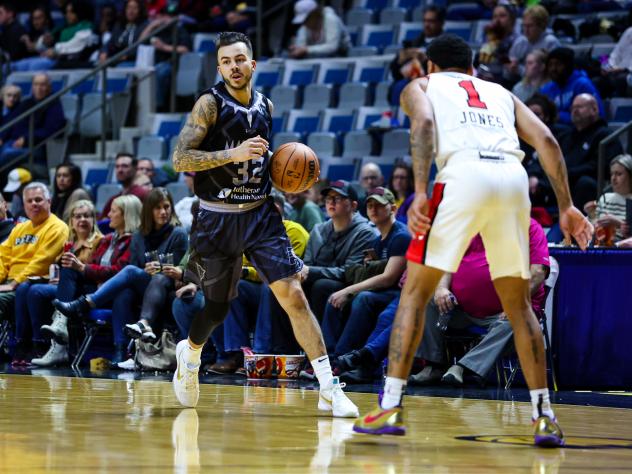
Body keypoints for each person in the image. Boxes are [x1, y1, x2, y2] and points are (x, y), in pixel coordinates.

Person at [353, 34, 593, 447]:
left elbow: (425, 124)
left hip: (462, 175)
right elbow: (549, 142)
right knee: (518, 307)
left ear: (429, 66)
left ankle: (389, 406)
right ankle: (545, 417)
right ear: (471, 68)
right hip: (512, 179)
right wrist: (567, 206)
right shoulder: (501, 92)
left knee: (414, 292)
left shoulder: (423, 86)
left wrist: (423, 189)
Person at [170, 31, 358, 416]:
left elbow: (260, 158)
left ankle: (329, 387)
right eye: (226, 61)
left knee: (294, 297)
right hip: (216, 219)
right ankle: (190, 354)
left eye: (240, 60)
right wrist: (231, 154)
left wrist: (287, 168)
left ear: (251, 64)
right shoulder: (209, 104)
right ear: (219, 66)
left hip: (259, 215)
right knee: (218, 310)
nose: (233, 67)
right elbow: (180, 159)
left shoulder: (265, 105)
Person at [54, 188, 187, 364]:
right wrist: (144, 269)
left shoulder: (178, 234)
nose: (163, 212)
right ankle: (121, 352)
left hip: (166, 286)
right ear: (148, 211)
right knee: (123, 294)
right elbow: (137, 264)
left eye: (166, 207)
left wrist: (153, 269)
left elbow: (176, 269)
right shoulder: (140, 235)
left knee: (133, 272)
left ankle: (86, 303)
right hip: (142, 283)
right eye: (157, 208)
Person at [409, 218, 549, 386]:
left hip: (509, 310)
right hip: (462, 308)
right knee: (426, 296)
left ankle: (463, 368)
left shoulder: (529, 227)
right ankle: (434, 366)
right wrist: (441, 288)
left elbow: (538, 272)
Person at [30, 195, 141, 366]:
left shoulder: (134, 240)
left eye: (113, 211)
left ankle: (57, 330)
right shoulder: (108, 239)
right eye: (77, 216)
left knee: (42, 288)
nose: (108, 215)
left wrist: (83, 268)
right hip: (96, 287)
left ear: (126, 215)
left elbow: (119, 271)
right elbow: (94, 267)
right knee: (65, 271)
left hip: (112, 293)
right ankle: (58, 326)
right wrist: (82, 270)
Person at [22, 199, 102, 367]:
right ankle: (43, 345)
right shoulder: (69, 244)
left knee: (54, 280)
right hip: (68, 290)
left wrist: (71, 272)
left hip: (91, 290)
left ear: (94, 220)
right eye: (78, 216)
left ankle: (59, 325)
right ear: (71, 221)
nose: (82, 220)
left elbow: (99, 273)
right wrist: (58, 278)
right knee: (34, 290)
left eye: (87, 216)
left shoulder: (100, 242)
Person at [0, 182, 69, 364]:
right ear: (24, 206)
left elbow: (42, 261)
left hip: (34, 282)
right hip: (9, 284)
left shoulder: (57, 227)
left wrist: (13, 283)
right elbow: (3, 257)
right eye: (29, 201)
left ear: (49, 201)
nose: (34, 204)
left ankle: (24, 345)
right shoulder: (19, 229)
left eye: (38, 200)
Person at [556, 93, 622, 209]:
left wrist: (568, 173)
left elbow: (600, 167)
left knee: (585, 183)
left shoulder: (605, 136)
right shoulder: (566, 136)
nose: (575, 111)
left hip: (588, 185)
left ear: (594, 109)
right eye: (573, 108)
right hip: (564, 181)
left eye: (580, 107)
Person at [0, 74, 66, 176]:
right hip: (14, 143)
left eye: (42, 85)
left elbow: (51, 130)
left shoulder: (53, 104)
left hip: (36, 146)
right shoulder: (27, 103)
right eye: (36, 84)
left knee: (8, 153)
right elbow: (11, 121)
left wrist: (26, 139)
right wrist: (2, 137)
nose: (39, 88)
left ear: (49, 87)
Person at [539, 47, 604, 125]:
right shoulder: (546, 89)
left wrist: (559, 117)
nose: (553, 69)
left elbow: (598, 115)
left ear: (568, 66)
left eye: (558, 64)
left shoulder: (582, 85)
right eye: (550, 65)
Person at [584, 154, 632, 244]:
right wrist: (591, 215)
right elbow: (594, 229)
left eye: (619, 174)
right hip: (603, 245)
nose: (613, 178)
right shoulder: (605, 198)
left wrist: (618, 223)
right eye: (612, 174)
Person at [100, 153, 150, 218]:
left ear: (135, 169)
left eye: (125, 166)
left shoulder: (143, 194)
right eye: (117, 166)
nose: (120, 170)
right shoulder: (113, 199)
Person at [99, 0, 148, 65]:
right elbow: (110, 42)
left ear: (140, 10)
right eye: (129, 8)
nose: (131, 11)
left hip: (131, 60)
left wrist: (126, 56)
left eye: (135, 8)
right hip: (114, 58)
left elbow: (141, 47)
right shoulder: (119, 25)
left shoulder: (144, 26)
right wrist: (104, 52)